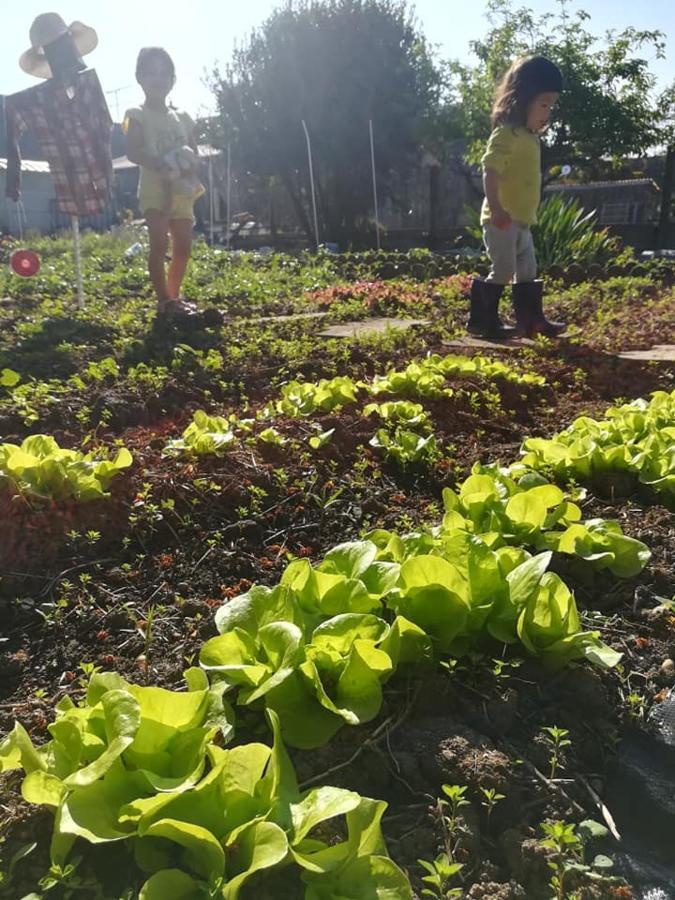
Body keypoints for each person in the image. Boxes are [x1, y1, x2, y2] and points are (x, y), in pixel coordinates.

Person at [468, 55, 566, 339]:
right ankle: (482, 321)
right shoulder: (506, 134)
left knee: (528, 270)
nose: (548, 112)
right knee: (504, 268)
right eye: (543, 104)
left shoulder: (530, 136)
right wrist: (497, 209)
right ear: (522, 100)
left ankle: (531, 320)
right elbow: (490, 171)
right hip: (500, 220)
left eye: (551, 106)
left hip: (522, 221)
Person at [124, 47, 204, 318]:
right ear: (140, 78)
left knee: (183, 247)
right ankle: (164, 302)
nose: (158, 79)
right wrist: (163, 163)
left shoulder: (182, 117)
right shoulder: (136, 114)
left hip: (181, 191)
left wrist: (187, 162)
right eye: (151, 74)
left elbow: (195, 153)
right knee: (159, 243)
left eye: (163, 74)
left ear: (173, 79)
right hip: (154, 190)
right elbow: (133, 151)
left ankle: (174, 298)